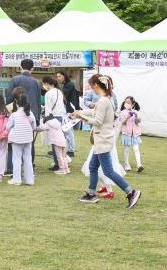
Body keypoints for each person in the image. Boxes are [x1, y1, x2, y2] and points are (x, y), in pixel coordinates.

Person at [75, 73, 141, 208]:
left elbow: (97, 121)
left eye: (91, 86)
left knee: (108, 171)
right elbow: (95, 112)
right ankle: (91, 194)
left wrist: (81, 117)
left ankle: (131, 192)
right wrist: (80, 112)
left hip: (102, 139)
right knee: (93, 167)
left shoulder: (102, 101)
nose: (91, 88)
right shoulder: (108, 99)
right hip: (104, 138)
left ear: (96, 85)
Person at [5, 59, 41, 175]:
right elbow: (38, 101)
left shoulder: (15, 79)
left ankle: (11, 168)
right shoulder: (36, 82)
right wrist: (37, 118)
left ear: (20, 67)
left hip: (17, 113)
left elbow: (9, 97)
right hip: (31, 114)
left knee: (13, 141)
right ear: (32, 69)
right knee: (29, 142)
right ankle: (30, 168)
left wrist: (8, 110)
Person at [7, 94, 36, 186]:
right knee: (28, 159)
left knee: (16, 159)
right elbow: (34, 127)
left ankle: (16, 179)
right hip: (28, 139)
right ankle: (29, 180)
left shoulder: (14, 115)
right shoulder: (30, 114)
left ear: (17, 103)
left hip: (17, 139)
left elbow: (8, 126)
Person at [41, 76, 66, 172]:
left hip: (52, 117)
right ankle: (61, 162)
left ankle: (57, 163)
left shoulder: (48, 93)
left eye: (43, 84)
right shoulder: (59, 91)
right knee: (60, 141)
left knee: (54, 142)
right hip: (60, 117)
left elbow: (48, 108)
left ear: (46, 83)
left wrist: (46, 119)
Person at [57, 69, 79, 157]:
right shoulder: (66, 85)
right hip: (67, 111)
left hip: (69, 112)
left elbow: (63, 95)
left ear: (64, 76)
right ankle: (65, 149)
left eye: (60, 76)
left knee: (68, 130)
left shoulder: (69, 85)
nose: (58, 78)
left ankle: (71, 150)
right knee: (65, 131)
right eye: (57, 77)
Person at [119, 96, 143, 172]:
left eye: (128, 103)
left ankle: (139, 164)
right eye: (126, 102)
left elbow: (139, 121)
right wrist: (127, 117)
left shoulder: (136, 112)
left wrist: (136, 116)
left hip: (135, 133)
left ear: (133, 104)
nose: (126, 104)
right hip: (126, 133)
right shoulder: (122, 112)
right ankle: (126, 164)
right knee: (127, 149)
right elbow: (122, 122)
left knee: (136, 148)